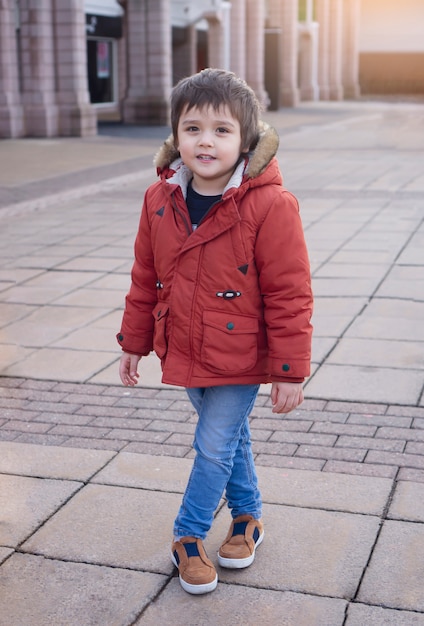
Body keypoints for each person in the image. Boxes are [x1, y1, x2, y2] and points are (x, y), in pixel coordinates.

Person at [117, 68, 313, 595]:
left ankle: (188, 534)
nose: (206, 140)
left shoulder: (271, 205)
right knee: (228, 439)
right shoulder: (159, 201)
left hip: (241, 354)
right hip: (183, 346)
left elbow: (290, 294)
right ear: (175, 137)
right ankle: (249, 517)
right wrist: (135, 342)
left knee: (212, 446)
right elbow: (144, 279)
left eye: (222, 130)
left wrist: (289, 372)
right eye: (193, 128)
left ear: (246, 139)